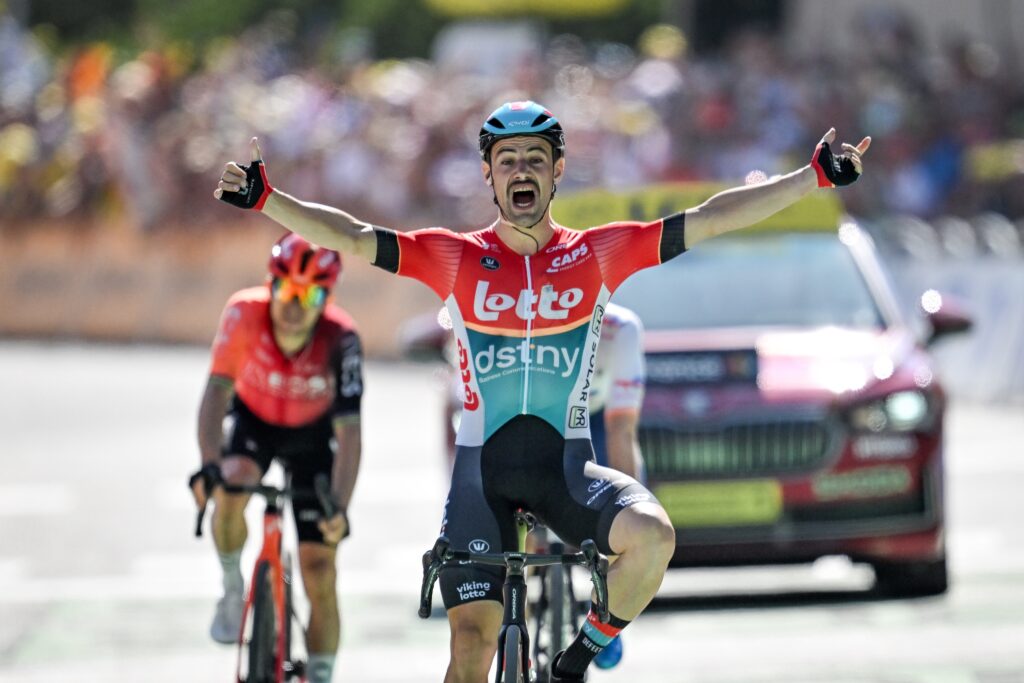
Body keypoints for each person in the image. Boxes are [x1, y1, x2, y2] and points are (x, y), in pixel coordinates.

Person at [213, 100, 869, 682]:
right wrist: (270, 199)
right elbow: (354, 237)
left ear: (557, 173)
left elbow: (712, 218)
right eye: (507, 160)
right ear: (488, 176)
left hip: (568, 469)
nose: (521, 170)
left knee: (656, 536)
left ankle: (576, 658)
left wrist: (810, 178)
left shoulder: (600, 253)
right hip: (483, 477)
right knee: (470, 647)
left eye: (535, 159)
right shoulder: (454, 257)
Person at [188, 233, 364, 683]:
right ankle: (232, 586)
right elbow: (215, 393)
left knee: (319, 567)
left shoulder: (341, 338)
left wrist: (340, 508)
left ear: (328, 299)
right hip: (254, 423)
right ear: (270, 283)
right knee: (229, 486)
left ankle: (321, 674)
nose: (295, 304)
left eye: (311, 294)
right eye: (286, 288)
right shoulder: (243, 312)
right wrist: (209, 463)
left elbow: (349, 433)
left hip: (312, 437)